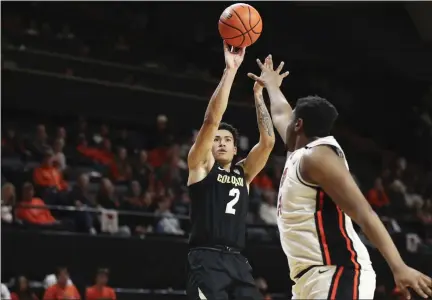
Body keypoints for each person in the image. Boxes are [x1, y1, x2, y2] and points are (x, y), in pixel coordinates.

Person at [248, 55, 432, 299]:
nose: (287, 120)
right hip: (310, 278)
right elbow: (281, 113)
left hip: (339, 273)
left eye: (293, 119)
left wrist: (398, 267)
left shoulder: (319, 157)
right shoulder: (300, 149)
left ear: (299, 124)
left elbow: (364, 212)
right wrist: (271, 85)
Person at [186, 42, 276, 300]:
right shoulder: (201, 166)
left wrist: (259, 95)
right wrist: (231, 69)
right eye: (217, 139)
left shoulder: (243, 174)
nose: (221, 142)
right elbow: (211, 120)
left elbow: (268, 142)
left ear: (236, 149)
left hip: (237, 260)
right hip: (206, 259)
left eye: (227, 140)